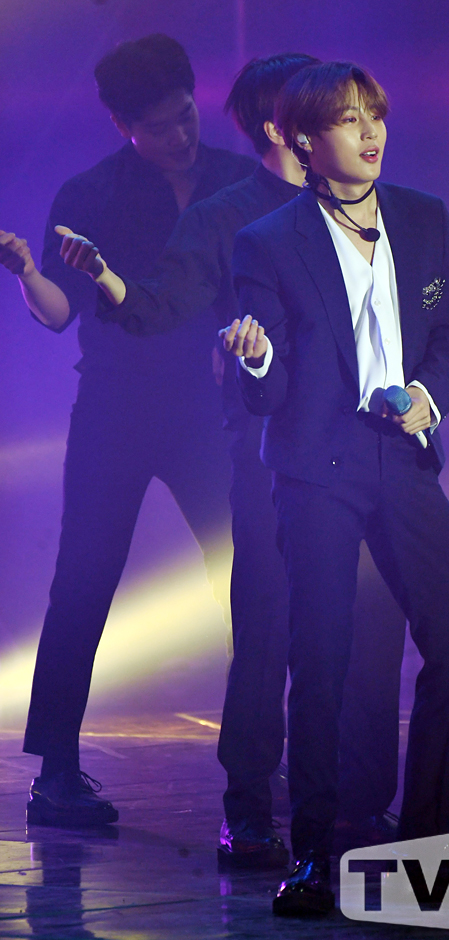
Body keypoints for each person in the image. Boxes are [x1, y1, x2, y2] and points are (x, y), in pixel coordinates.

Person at [56, 54, 406, 866]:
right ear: (282, 126)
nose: (345, 121)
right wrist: (104, 276)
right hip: (271, 455)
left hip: (364, 449)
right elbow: (156, 305)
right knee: (266, 625)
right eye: (326, 108)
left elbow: (412, 307)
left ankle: (360, 804)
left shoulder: (364, 203)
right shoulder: (227, 216)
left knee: (373, 626)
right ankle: (247, 809)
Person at [223, 61, 449, 915]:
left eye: (375, 113)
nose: (369, 132)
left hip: (402, 458)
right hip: (317, 469)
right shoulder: (268, 241)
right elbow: (268, 390)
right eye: (347, 118)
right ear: (304, 139)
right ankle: (313, 855)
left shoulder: (425, 217)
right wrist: (257, 356)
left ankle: (424, 849)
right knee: (322, 661)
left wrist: (429, 395)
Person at [0, 34, 255, 828]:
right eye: (159, 126)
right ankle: (56, 774)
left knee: (248, 576)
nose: (180, 135)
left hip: (209, 409)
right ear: (123, 126)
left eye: (187, 116)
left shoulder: (240, 182)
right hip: (115, 408)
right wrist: (27, 272)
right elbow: (57, 313)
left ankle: (259, 757)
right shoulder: (89, 193)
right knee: (83, 579)